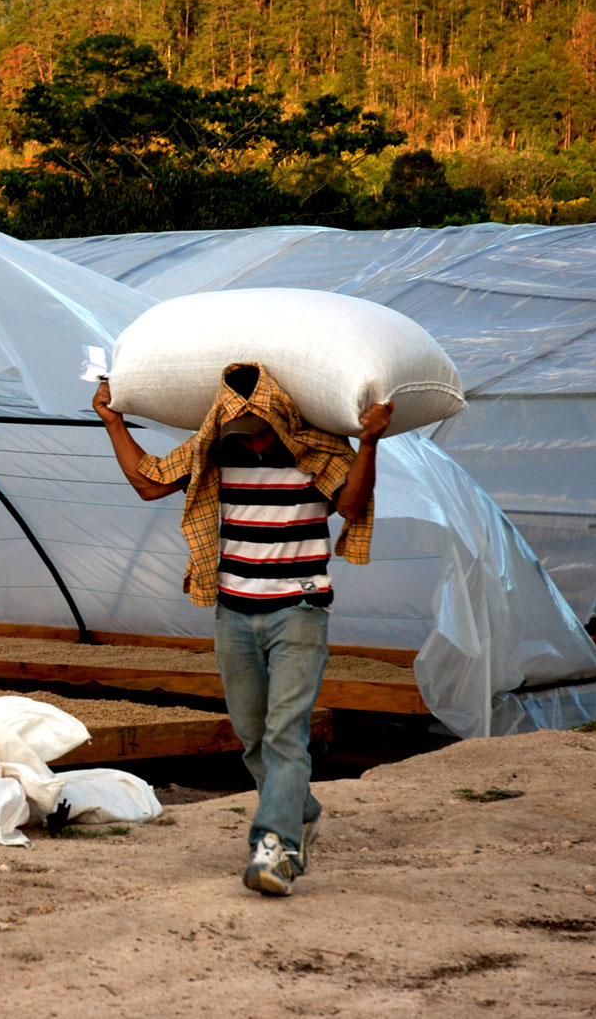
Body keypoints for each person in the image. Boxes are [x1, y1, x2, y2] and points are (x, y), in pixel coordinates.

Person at [93, 363, 391, 897]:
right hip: (233, 612)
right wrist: (113, 421)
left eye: (250, 431)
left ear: (276, 416)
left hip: (298, 610)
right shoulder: (215, 447)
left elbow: (350, 504)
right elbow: (149, 482)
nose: (243, 441)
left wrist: (368, 443)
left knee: (284, 733)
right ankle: (301, 813)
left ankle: (275, 850)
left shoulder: (319, 450)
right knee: (254, 736)